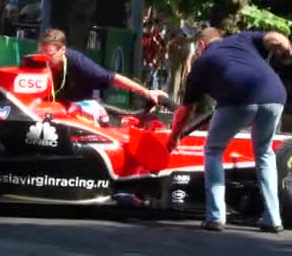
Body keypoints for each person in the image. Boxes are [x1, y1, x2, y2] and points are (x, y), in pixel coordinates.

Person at [165, 27, 291, 233]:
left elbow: (185, 111)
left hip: (238, 99)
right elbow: (275, 38)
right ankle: (273, 218)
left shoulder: (201, 64)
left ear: (201, 46)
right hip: (275, 95)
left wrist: (174, 137)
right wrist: (287, 50)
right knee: (264, 153)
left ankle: (215, 216)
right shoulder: (243, 38)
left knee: (214, 151)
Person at [37, 28, 168, 122]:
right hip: (45, 112)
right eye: (42, 53)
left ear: (62, 50)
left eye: (49, 55)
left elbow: (111, 78)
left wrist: (146, 92)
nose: (45, 59)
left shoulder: (77, 61)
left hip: (78, 111)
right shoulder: (35, 62)